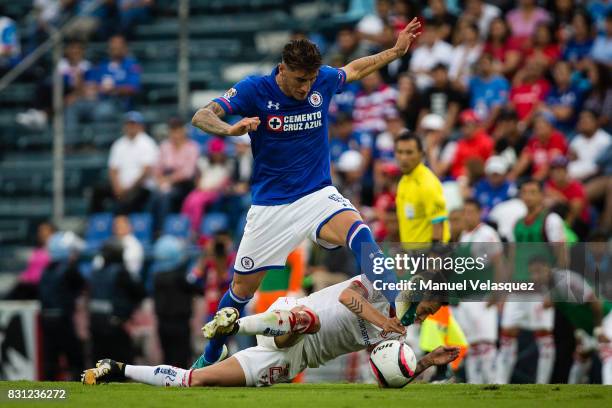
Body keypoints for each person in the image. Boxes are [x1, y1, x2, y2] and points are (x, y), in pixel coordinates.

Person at [188, 19, 424, 369]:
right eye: (300, 80)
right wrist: (230, 128)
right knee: (239, 292)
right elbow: (201, 115)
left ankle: (399, 304)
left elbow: (355, 68)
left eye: (311, 80)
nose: (307, 87)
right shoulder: (255, 90)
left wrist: (396, 50)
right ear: (282, 69)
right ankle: (211, 356)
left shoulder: (321, 81)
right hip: (271, 207)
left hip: (317, 195)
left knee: (361, 235)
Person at [82, 273, 459, 386]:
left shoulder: (396, 336)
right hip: (290, 315)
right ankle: (234, 324)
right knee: (307, 320)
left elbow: (384, 381)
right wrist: (384, 321)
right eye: (430, 307)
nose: (427, 315)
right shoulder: (382, 280)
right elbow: (346, 296)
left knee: (193, 381)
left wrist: (425, 362)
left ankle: (116, 369)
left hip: (294, 360)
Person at [496, 179, 568, 384]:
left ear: (541, 195)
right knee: (508, 332)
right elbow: (511, 258)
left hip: (541, 288)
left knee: (543, 335)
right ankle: (500, 383)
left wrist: (555, 290)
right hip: (518, 287)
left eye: (533, 192)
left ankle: (542, 384)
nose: (528, 196)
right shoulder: (517, 223)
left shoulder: (551, 220)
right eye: (525, 192)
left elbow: (562, 256)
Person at [451, 199, 505, 384]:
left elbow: (498, 263)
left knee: (487, 342)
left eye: (471, 212)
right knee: (472, 345)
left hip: (483, 296)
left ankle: (493, 382)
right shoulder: (464, 236)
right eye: (465, 212)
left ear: (480, 212)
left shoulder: (487, 234)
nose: (467, 216)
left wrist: (497, 291)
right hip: (466, 298)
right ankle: (474, 383)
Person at [89, 111, 159, 214]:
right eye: (128, 124)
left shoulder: (147, 143)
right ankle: (95, 223)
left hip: (140, 187)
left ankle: (120, 224)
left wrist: (128, 189)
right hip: (121, 187)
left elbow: (146, 171)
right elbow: (113, 170)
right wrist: (117, 187)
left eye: (133, 124)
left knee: (127, 201)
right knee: (98, 191)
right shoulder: (119, 144)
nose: (131, 127)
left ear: (140, 126)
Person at [38, 231, 86, 381]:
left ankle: (47, 395)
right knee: (75, 358)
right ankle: (80, 391)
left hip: (46, 318)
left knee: (50, 359)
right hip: (62, 319)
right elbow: (82, 285)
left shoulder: (46, 270)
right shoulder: (68, 270)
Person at [150, 117, 199, 234]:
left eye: (178, 130)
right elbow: (157, 168)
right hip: (166, 181)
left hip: (184, 185)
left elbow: (188, 172)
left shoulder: (192, 147)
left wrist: (168, 181)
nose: (175, 134)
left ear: (183, 131)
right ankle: (153, 231)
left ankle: (163, 230)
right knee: (155, 196)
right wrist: (161, 180)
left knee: (165, 196)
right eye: (172, 131)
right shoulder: (164, 146)